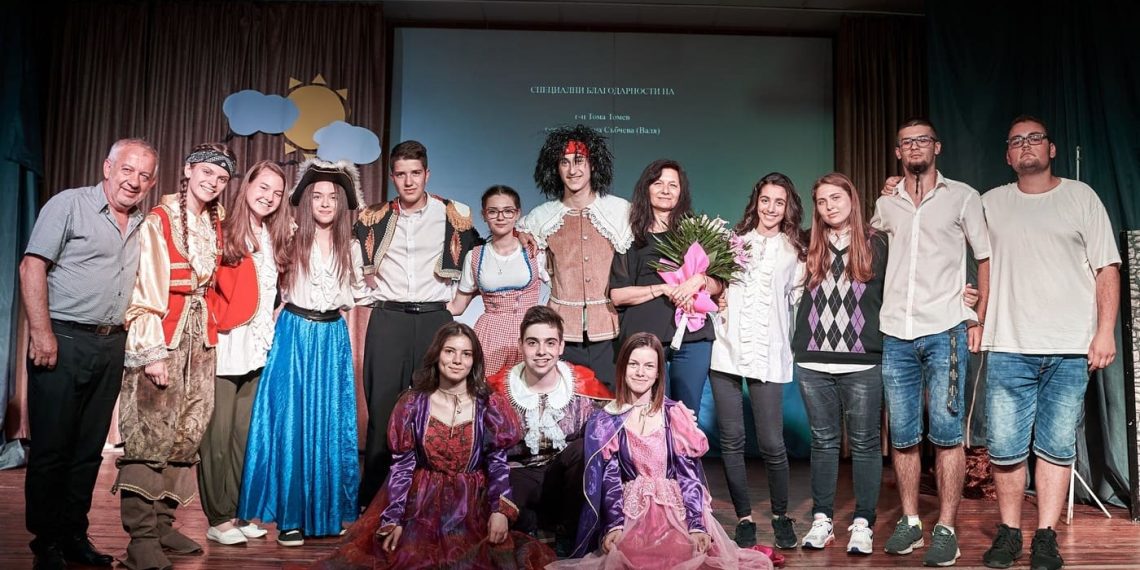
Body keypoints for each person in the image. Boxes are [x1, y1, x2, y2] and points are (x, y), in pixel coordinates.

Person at [979, 115, 1120, 570]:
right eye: (1016, 140)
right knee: (1005, 448)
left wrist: (1104, 331)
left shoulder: (1081, 197)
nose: (1026, 145)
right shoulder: (989, 203)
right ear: (1007, 155)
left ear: (1051, 149)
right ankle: (1008, 533)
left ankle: (1045, 535)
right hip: (1008, 344)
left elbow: (1107, 268)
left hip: (1069, 348)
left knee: (1057, 447)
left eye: (1034, 138)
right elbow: (945, 232)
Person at [20, 138, 158, 570]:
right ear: (107, 168)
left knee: (87, 450)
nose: (134, 181)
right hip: (63, 338)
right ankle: (46, 542)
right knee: (52, 449)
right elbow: (32, 265)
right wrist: (41, 333)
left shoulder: (145, 223)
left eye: (144, 175)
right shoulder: (69, 205)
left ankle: (74, 535)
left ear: (151, 183)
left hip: (111, 343)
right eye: (127, 170)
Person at [316, 323, 557, 569]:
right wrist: (394, 519)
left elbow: (498, 464)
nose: (457, 360)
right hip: (422, 505)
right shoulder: (413, 404)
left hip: (472, 505)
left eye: (466, 354)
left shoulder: (489, 405)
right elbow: (402, 468)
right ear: (437, 355)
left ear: (474, 360)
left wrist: (500, 511)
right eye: (449, 351)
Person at [870, 118, 992, 567]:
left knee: (946, 433)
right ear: (898, 152)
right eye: (907, 142)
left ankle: (946, 528)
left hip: (946, 329)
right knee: (903, 435)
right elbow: (869, 253)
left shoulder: (964, 196)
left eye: (922, 140)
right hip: (896, 332)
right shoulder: (886, 203)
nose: (915, 146)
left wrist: (978, 317)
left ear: (936, 147)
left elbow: (985, 257)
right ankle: (910, 521)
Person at [113, 143, 235, 570]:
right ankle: (141, 538)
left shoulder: (215, 222)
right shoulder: (159, 220)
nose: (213, 183)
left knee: (186, 432)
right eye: (207, 173)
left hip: (200, 340)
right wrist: (153, 354)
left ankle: (163, 524)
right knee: (150, 434)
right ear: (188, 170)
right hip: (162, 337)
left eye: (221, 178)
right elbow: (144, 291)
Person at [558, 332, 777, 569]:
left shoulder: (673, 415)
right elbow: (609, 480)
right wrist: (614, 524)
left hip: (675, 510)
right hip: (631, 511)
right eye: (633, 364)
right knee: (630, 557)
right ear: (622, 368)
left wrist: (696, 524)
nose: (640, 372)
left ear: (658, 373)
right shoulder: (608, 419)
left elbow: (688, 476)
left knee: (680, 554)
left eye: (649, 366)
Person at [238, 158, 371, 547]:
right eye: (318, 196)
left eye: (333, 197)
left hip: (331, 337)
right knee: (292, 424)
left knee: (329, 424)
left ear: (342, 204)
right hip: (295, 334)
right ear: (306, 201)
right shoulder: (290, 238)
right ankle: (291, 518)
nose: (325, 203)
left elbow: (363, 292)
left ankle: (327, 514)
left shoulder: (352, 247)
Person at [355, 140, 482, 508]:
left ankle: (432, 496)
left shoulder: (454, 214)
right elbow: (350, 258)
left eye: (415, 173)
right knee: (383, 410)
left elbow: (482, 255)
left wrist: (522, 237)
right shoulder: (373, 217)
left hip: (434, 319)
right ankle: (374, 500)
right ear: (392, 177)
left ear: (427, 174)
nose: (408, 181)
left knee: (438, 406)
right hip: (389, 317)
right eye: (401, 174)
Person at [791, 172, 888, 556]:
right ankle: (822, 520)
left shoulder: (878, 242)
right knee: (824, 442)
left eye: (836, 198)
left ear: (852, 198)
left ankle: (863, 523)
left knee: (865, 443)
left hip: (863, 361)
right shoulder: (805, 243)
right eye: (822, 201)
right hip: (813, 360)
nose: (829, 206)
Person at [708, 172, 807, 550]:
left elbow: (801, 299)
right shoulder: (733, 243)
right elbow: (715, 286)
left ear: (787, 207)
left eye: (779, 202)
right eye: (765, 200)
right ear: (756, 202)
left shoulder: (795, 251)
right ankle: (744, 518)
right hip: (726, 349)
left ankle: (781, 516)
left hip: (770, 353)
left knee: (772, 442)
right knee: (731, 440)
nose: (771, 208)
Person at [198, 160, 292, 546]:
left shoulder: (273, 235)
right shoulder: (221, 229)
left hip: (258, 346)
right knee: (217, 437)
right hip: (227, 342)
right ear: (247, 185)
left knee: (244, 436)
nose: (269, 197)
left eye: (277, 193)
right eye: (263, 187)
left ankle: (238, 512)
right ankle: (217, 518)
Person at [485, 306, 612, 552]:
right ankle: (535, 525)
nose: (541, 351)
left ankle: (567, 531)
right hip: (519, 475)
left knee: (583, 449)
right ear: (521, 345)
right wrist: (500, 506)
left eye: (550, 343)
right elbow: (492, 453)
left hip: (563, 480)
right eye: (533, 343)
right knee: (501, 523)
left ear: (561, 346)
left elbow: (608, 433)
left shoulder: (582, 386)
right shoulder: (499, 391)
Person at [517, 124, 632, 389]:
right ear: (555, 169)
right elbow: (514, 240)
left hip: (611, 330)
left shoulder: (619, 212)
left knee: (610, 401)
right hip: (562, 334)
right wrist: (518, 234)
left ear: (593, 165)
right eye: (564, 162)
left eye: (579, 161)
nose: (572, 170)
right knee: (565, 403)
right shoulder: (542, 217)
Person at [610, 159, 723, 414]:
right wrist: (660, 289)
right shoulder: (630, 236)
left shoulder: (696, 231)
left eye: (673, 185)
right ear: (646, 188)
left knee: (687, 414)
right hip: (646, 340)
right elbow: (617, 295)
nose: (665, 190)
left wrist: (700, 280)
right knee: (649, 413)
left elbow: (718, 284)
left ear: (681, 191)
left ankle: (685, 443)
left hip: (693, 336)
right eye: (658, 183)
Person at [449, 185, 546, 375]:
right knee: (488, 389)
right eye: (493, 212)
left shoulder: (535, 251)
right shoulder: (475, 256)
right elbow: (457, 307)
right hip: (490, 336)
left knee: (527, 387)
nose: (501, 217)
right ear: (484, 215)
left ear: (517, 214)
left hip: (529, 331)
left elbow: (560, 291)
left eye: (508, 211)